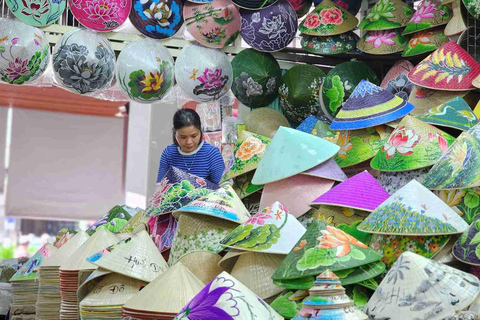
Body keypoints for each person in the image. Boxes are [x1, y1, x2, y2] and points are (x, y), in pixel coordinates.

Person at [156, 108, 225, 185]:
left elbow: (222, 186)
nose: (189, 142)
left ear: (200, 130)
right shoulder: (168, 153)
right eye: (183, 137)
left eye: (194, 136)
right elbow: (161, 186)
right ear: (174, 133)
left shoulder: (212, 154)